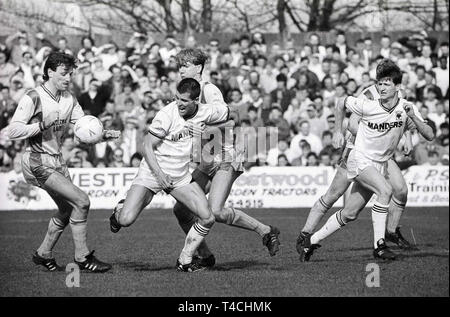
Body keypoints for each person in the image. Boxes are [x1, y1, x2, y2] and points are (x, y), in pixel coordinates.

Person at [297, 59, 434, 261]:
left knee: (350, 213)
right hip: (359, 157)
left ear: (398, 86)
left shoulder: (406, 106)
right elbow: (340, 102)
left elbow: (429, 134)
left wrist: (411, 125)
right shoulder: (368, 102)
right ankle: (379, 246)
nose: (382, 87)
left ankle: (311, 242)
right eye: (380, 82)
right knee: (384, 190)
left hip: (379, 162)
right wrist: (337, 132)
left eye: (387, 83)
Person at [7, 52, 120, 272]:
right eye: (64, 73)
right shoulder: (33, 96)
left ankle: (43, 253)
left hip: (57, 160)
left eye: (71, 73)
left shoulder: (69, 98)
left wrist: (102, 134)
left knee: (67, 210)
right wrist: (40, 125)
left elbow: (82, 131)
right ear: (50, 72)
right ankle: (82, 257)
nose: (69, 78)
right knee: (82, 201)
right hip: (36, 160)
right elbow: (13, 130)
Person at [170, 48, 281, 267]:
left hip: (225, 156)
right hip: (207, 160)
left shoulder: (209, 91)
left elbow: (234, 119)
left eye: (185, 65)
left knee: (216, 210)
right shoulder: (187, 91)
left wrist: (206, 129)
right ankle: (205, 255)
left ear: (198, 67)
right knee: (181, 209)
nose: (181, 69)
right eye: (179, 66)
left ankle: (266, 231)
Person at [109, 78, 230, 272]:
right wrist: (160, 175)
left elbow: (235, 118)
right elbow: (146, 146)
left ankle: (185, 259)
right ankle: (120, 209)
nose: (179, 103)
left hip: (180, 177)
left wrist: (209, 129)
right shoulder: (166, 114)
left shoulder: (208, 111)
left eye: (184, 100)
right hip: (152, 172)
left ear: (196, 100)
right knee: (125, 220)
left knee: (208, 218)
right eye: (177, 98)